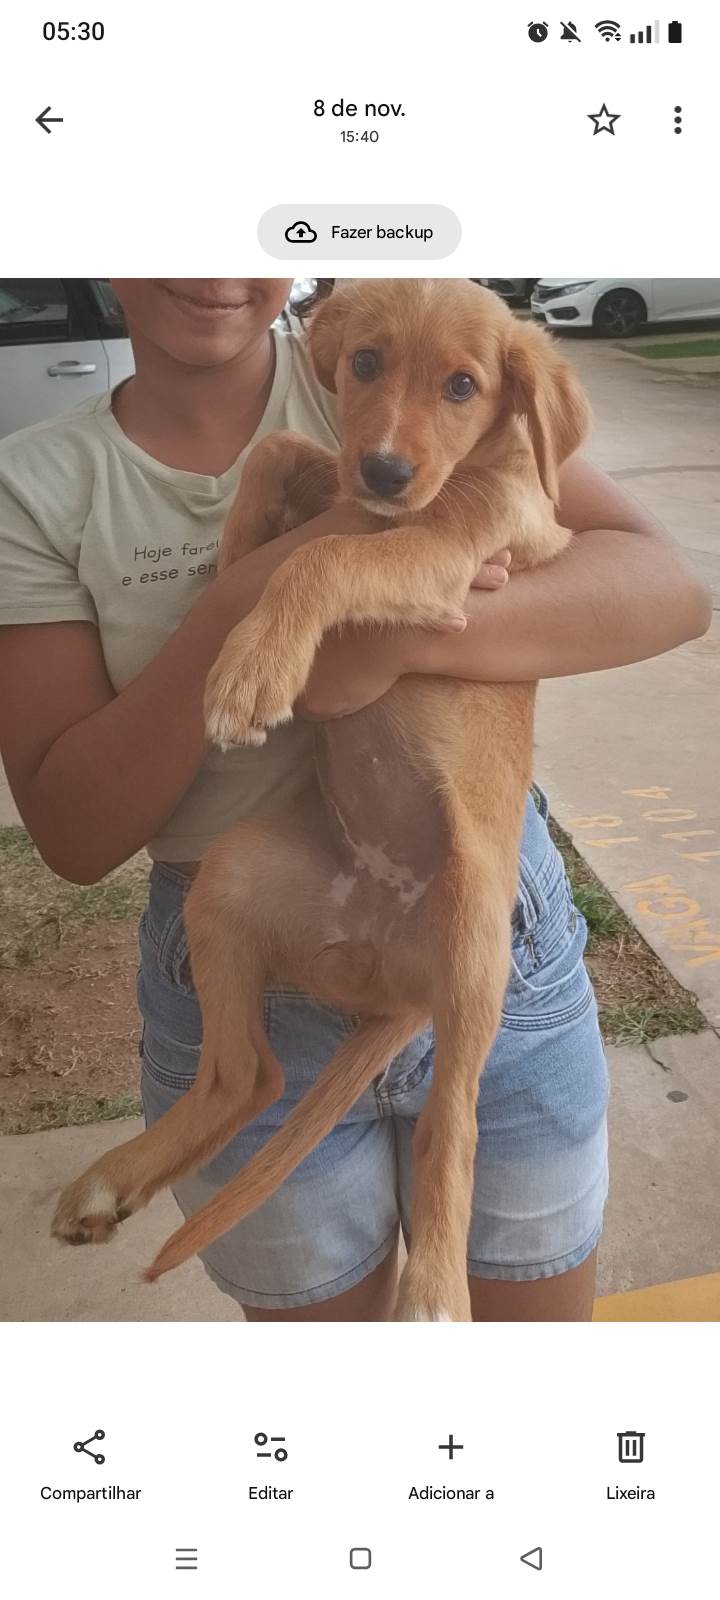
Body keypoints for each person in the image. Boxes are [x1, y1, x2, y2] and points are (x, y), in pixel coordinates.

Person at [0, 278, 710, 1323]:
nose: (209, 269)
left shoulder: (447, 389)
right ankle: (221, 1094)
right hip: (280, 914)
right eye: (366, 370)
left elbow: (660, 581)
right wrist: (254, 591)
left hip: (482, 942)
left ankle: (446, 1167)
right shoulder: (41, 481)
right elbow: (70, 830)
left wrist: (387, 627)